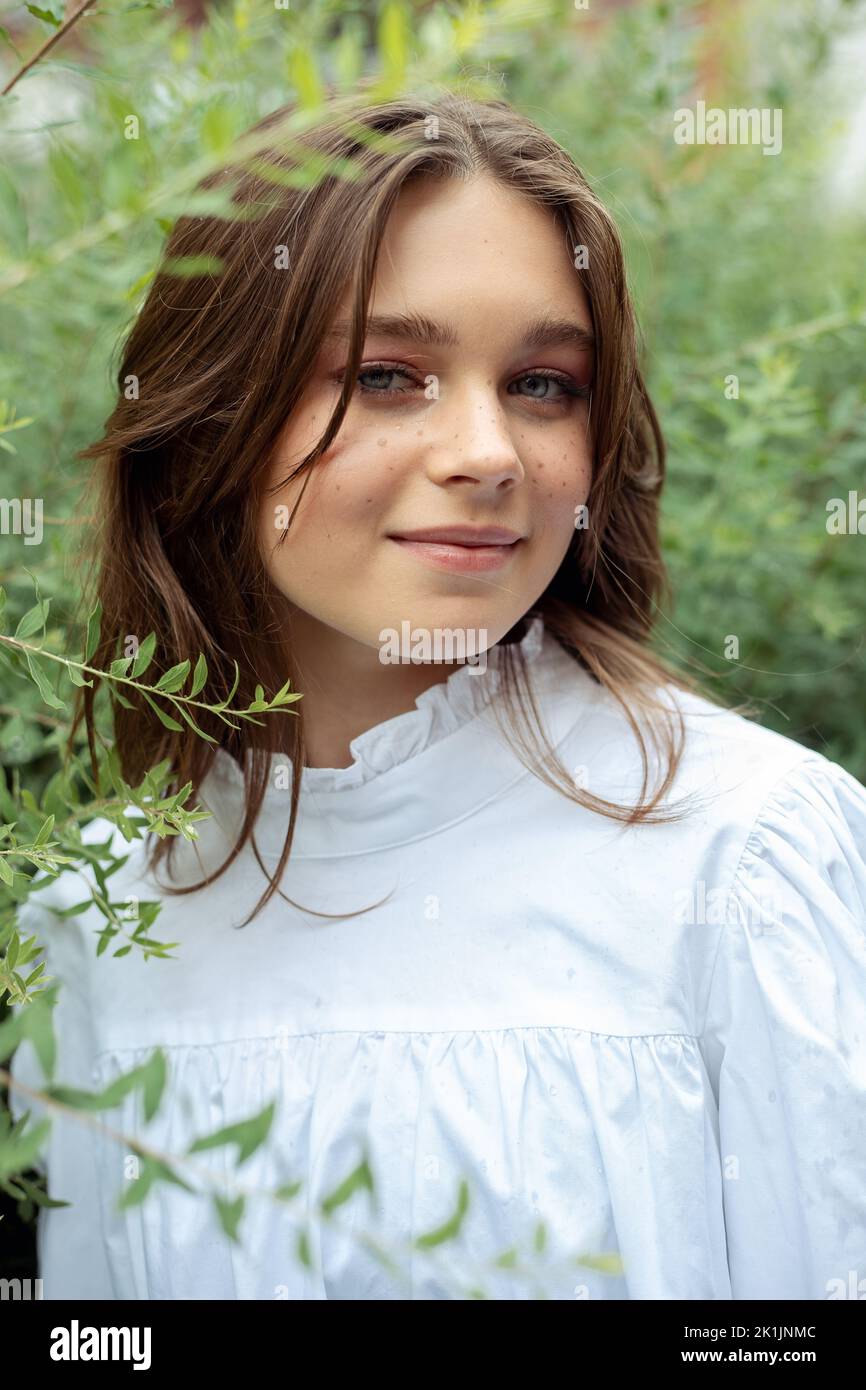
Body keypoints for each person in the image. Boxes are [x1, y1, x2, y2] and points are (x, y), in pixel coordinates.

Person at [9, 89, 866, 1301]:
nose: (488, 452)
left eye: (542, 384)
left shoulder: (743, 858)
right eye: (387, 373)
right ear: (210, 416)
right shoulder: (101, 916)